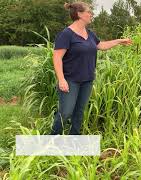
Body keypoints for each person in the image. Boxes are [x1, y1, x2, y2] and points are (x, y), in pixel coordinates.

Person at [51, 1, 132, 135]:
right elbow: (57, 57)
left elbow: (102, 46)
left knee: (79, 113)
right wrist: (61, 79)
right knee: (65, 112)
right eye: (89, 12)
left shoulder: (90, 34)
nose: (91, 14)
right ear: (79, 14)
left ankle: (74, 141)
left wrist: (119, 41)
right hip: (70, 80)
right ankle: (51, 141)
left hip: (87, 80)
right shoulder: (66, 34)